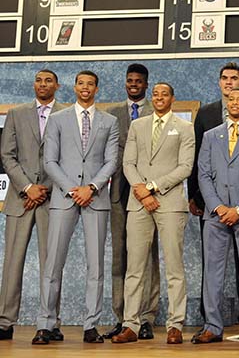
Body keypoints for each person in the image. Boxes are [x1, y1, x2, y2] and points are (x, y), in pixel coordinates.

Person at [33, 70, 119, 345]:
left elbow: (111, 161)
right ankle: (46, 325)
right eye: (80, 83)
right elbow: (50, 162)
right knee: (52, 264)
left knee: (96, 265)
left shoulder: (110, 121)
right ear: (74, 87)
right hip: (64, 196)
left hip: (95, 198)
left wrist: (91, 188)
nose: (85, 88)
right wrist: (73, 189)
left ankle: (90, 325)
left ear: (96, 88)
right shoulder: (58, 119)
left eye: (90, 84)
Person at [112, 83, 194, 345]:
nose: (159, 98)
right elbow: (128, 163)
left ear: (172, 98)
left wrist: (152, 187)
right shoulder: (137, 126)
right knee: (134, 268)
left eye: (164, 94)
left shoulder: (184, 128)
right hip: (138, 203)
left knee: (174, 267)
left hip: (169, 202)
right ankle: (130, 325)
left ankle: (175, 324)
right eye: (156, 94)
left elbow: (185, 167)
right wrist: (141, 191)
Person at [188, 62, 239, 325]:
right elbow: (202, 172)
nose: (233, 101)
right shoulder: (211, 134)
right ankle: (211, 325)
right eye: (230, 98)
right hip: (215, 213)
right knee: (212, 271)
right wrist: (216, 206)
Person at [0, 70, 64, 341]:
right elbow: (7, 155)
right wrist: (28, 187)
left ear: (57, 86)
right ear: (33, 84)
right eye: (39, 80)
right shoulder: (16, 114)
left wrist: (45, 188)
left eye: (48, 80)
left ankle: (51, 322)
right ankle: (4, 321)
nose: (43, 84)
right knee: (13, 262)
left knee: (52, 264)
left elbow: (68, 157)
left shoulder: (66, 114)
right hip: (20, 199)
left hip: (53, 199)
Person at [104, 63, 159, 340]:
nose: (133, 84)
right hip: (118, 191)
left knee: (147, 255)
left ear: (146, 84)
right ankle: (123, 317)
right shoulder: (112, 113)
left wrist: (146, 186)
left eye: (138, 80)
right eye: (129, 80)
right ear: (125, 83)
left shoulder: (156, 111)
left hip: (147, 191)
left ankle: (146, 317)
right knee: (120, 256)